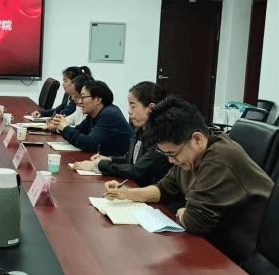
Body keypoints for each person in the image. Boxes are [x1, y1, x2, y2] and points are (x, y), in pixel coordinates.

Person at [104, 96, 274, 262]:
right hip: (219, 238)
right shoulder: (191, 154)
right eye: (167, 154)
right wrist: (125, 194)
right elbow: (164, 188)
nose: (171, 161)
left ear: (197, 139)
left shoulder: (218, 160)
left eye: (173, 154)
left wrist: (184, 212)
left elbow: (195, 222)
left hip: (251, 252)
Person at [73, 81, 172, 186]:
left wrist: (99, 165)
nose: (129, 111)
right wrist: (108, 159)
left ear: (150, 108)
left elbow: (138, 170)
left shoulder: (161, 137)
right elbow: (130, 158)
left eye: (133, 106)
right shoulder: (140, 130)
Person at [52, 80, 132, 155]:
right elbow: (78, 131)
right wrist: (60, 126)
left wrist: (65, 128)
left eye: (83, 97)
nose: (80, 101)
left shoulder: (109, 114)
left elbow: (89, 144)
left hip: (120, 163)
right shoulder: (93, 114)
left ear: (98, 100)